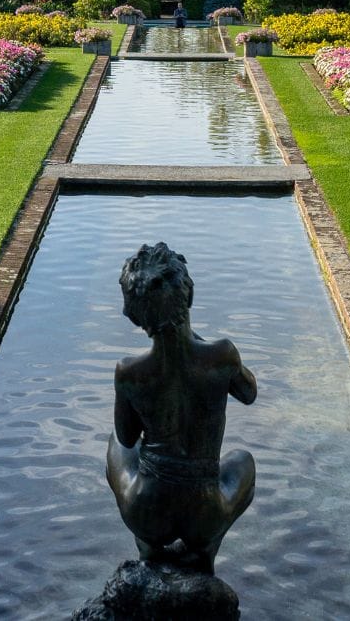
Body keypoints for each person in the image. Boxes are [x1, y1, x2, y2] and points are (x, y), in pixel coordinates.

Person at [105, 243, 256, 573]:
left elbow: (127, 438)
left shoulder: (130, 372)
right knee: (243, 461)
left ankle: (148, 548)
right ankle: (206, 549)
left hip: (147, 513)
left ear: (136, 315)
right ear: (188, 297)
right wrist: (189, 337)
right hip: (205, 514)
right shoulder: (222, 355)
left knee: (115, 444)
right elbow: (249, 393)